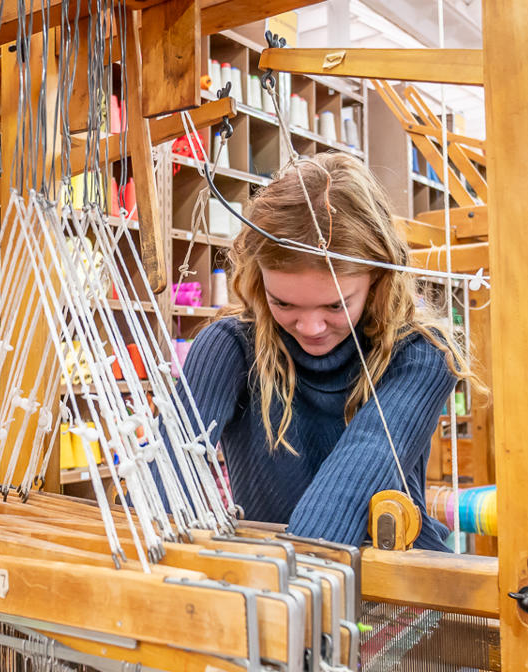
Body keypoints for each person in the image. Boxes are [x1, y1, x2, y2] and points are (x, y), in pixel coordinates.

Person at [182, 152, 476, 551]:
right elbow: (170, 463)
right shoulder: (230, 348)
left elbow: (352, 482)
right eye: (283, 303)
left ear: (378, 276)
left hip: (391, 592)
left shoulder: (421, 356)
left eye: (335, 305)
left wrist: (290, 592)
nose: (310, 327)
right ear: (257, 275)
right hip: (279, 585)